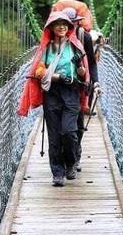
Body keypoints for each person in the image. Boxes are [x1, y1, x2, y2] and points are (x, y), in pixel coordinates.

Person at [17, 11, 90, 186]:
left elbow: (83, 74)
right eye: (58, 24)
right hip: (52, 93)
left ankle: (71, 162)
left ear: (69, 27)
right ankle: (57, 172)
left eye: (65, 24)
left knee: (69, 132)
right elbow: (38, 71)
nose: (62, 27)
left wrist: (79, 64)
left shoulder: (75, 46)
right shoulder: (46, 48)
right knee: (54, 136)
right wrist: (57, 77)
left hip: (71, 92)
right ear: (51, 27)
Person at [62, 7, 102, 172]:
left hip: (81, 86)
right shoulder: (56, 37)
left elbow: (92, 62)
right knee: (62, 126)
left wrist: (96, 83)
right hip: (61, 86)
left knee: (77, 123)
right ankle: (65, 158)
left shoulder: (83, 36)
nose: (72, 26)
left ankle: (75, 156)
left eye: (75, 23)